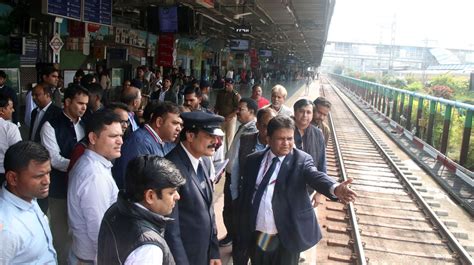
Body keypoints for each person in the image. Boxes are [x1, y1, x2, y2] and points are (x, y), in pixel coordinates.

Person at [236, 115, 357, 264]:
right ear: (268, 138)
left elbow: (315, 175)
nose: (286, 143)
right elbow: (246, 194)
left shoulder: (301, 160)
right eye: (281, 139)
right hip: (261, 234)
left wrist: (335, 188)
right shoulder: (253, 160)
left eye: (290, 138)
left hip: (286, 235)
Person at [97, 155, 185, 265]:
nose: (177, 196)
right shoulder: (149, 249)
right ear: (150, 196)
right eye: (171, 193)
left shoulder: (115, 209)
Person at [165, 112, 223, 265]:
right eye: (209, 136)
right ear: (190, 136)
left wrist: (214, 251)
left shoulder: (202, 160)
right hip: (185, 257)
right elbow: (171, 230)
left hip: (203, 254)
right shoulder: (171, 168)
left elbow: (209, 210)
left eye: (216, 136)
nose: (215, 141)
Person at [40, 84, 89, 264]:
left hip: (82, 188)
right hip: (60, 189)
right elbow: (54, 159)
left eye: (86, 103)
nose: (83, 107)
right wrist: (82, 165)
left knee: (79, 232)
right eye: (79, 103)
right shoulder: (50, 125)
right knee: (60, 234)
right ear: (67, 102)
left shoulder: (85, 124)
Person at [67, 109, 123, 264]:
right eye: (113, 136)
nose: (120, 141)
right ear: (93, 137)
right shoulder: (94, 176)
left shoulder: (96, 165)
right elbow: (99, 230)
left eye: (120, 135)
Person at [231, 107, 276, 264]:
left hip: (267, 212)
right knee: (241, 244)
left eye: (273, 126)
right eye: (265, 126)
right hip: (245, 205)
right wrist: (235, 197)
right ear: (257, 125)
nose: (269, 131)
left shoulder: (280, 146)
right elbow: (235, 172)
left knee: (262, 250)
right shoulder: (245, 140)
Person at [0, 141, 56, 263]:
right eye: (38, 176)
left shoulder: (28, 197)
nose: (47, 181)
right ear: (13, 178)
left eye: (48, 173)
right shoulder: (6, 229)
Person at [113, 102, 182, 189]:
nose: (179, 128)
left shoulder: (162, 142)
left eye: (180, 125)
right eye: (175, 123)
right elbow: (135, 184)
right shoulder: (139, 142)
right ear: (159, 122)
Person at [220, 98, 258, 247]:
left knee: (235, 209)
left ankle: (236, 238)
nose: (237, 112)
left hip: (238, 178)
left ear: (251, 112)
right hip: (230, 175)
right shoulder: (243, 126)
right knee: (228, 208)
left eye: (241, 109)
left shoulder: (253, 130)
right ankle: (231, 235)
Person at [214, 78, 241, 150]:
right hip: (221, 118)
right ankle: (218, 154)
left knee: (229, 139)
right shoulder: (220, 93)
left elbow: (238, 108)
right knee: (219, 137)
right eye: (225, 85)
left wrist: (230, 116)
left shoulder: (235, 95)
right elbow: (217, 105)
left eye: (228, 85)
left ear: (232, 85)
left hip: (231, 119)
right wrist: (214, 115)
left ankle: (229, 156)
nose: (226, 86)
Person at [0, 94, 21, 184]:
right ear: (1, 110)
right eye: (10, 108)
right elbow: (18, 153)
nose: (13, 110)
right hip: (4, 173)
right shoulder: (10, 128)